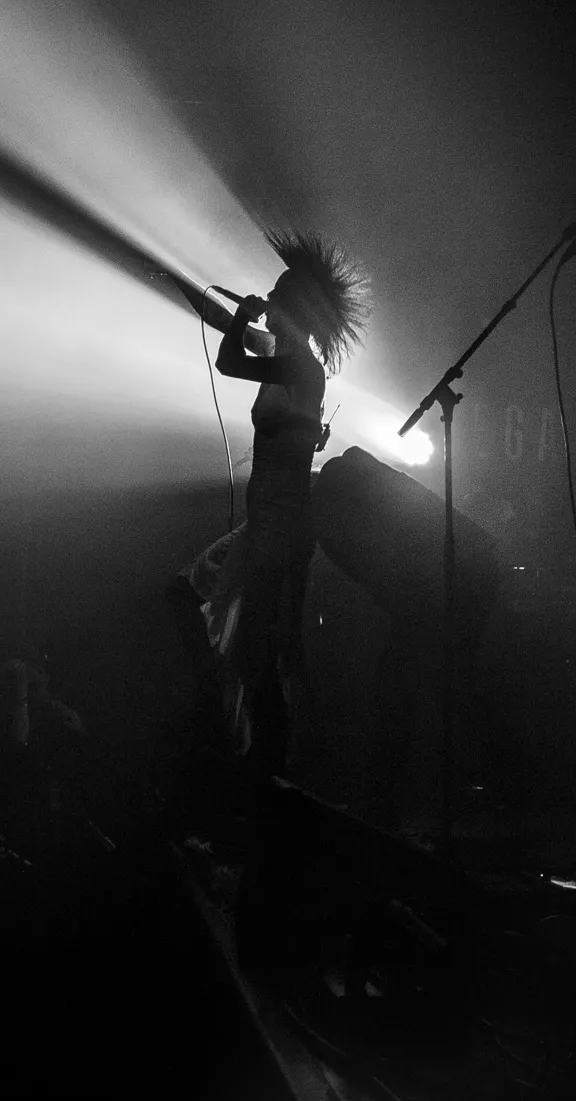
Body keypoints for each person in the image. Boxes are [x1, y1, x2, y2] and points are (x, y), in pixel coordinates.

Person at [181, 231, 370, 776]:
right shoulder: (288, 360)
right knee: (257, 640)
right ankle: (266, 758)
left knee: (265, 645)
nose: (267, 302)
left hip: (281, 524)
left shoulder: (301, 367)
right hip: (269, 517)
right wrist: (197, 294)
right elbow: (235, 339)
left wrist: (243, 315)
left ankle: (275, 764)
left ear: (294, 311)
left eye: (276, 297)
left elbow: (228, 362)